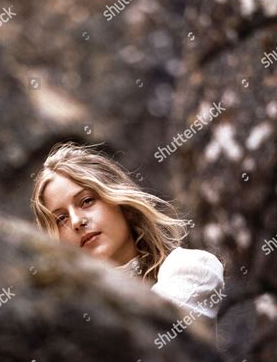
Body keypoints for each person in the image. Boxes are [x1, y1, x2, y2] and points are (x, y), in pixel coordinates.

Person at [30, 142, 225, 339]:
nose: (76, 221)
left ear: (125, 207)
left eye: (87, 201)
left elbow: (151, 345)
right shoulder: (66, 317)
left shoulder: (192, 269)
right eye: (61, 218)